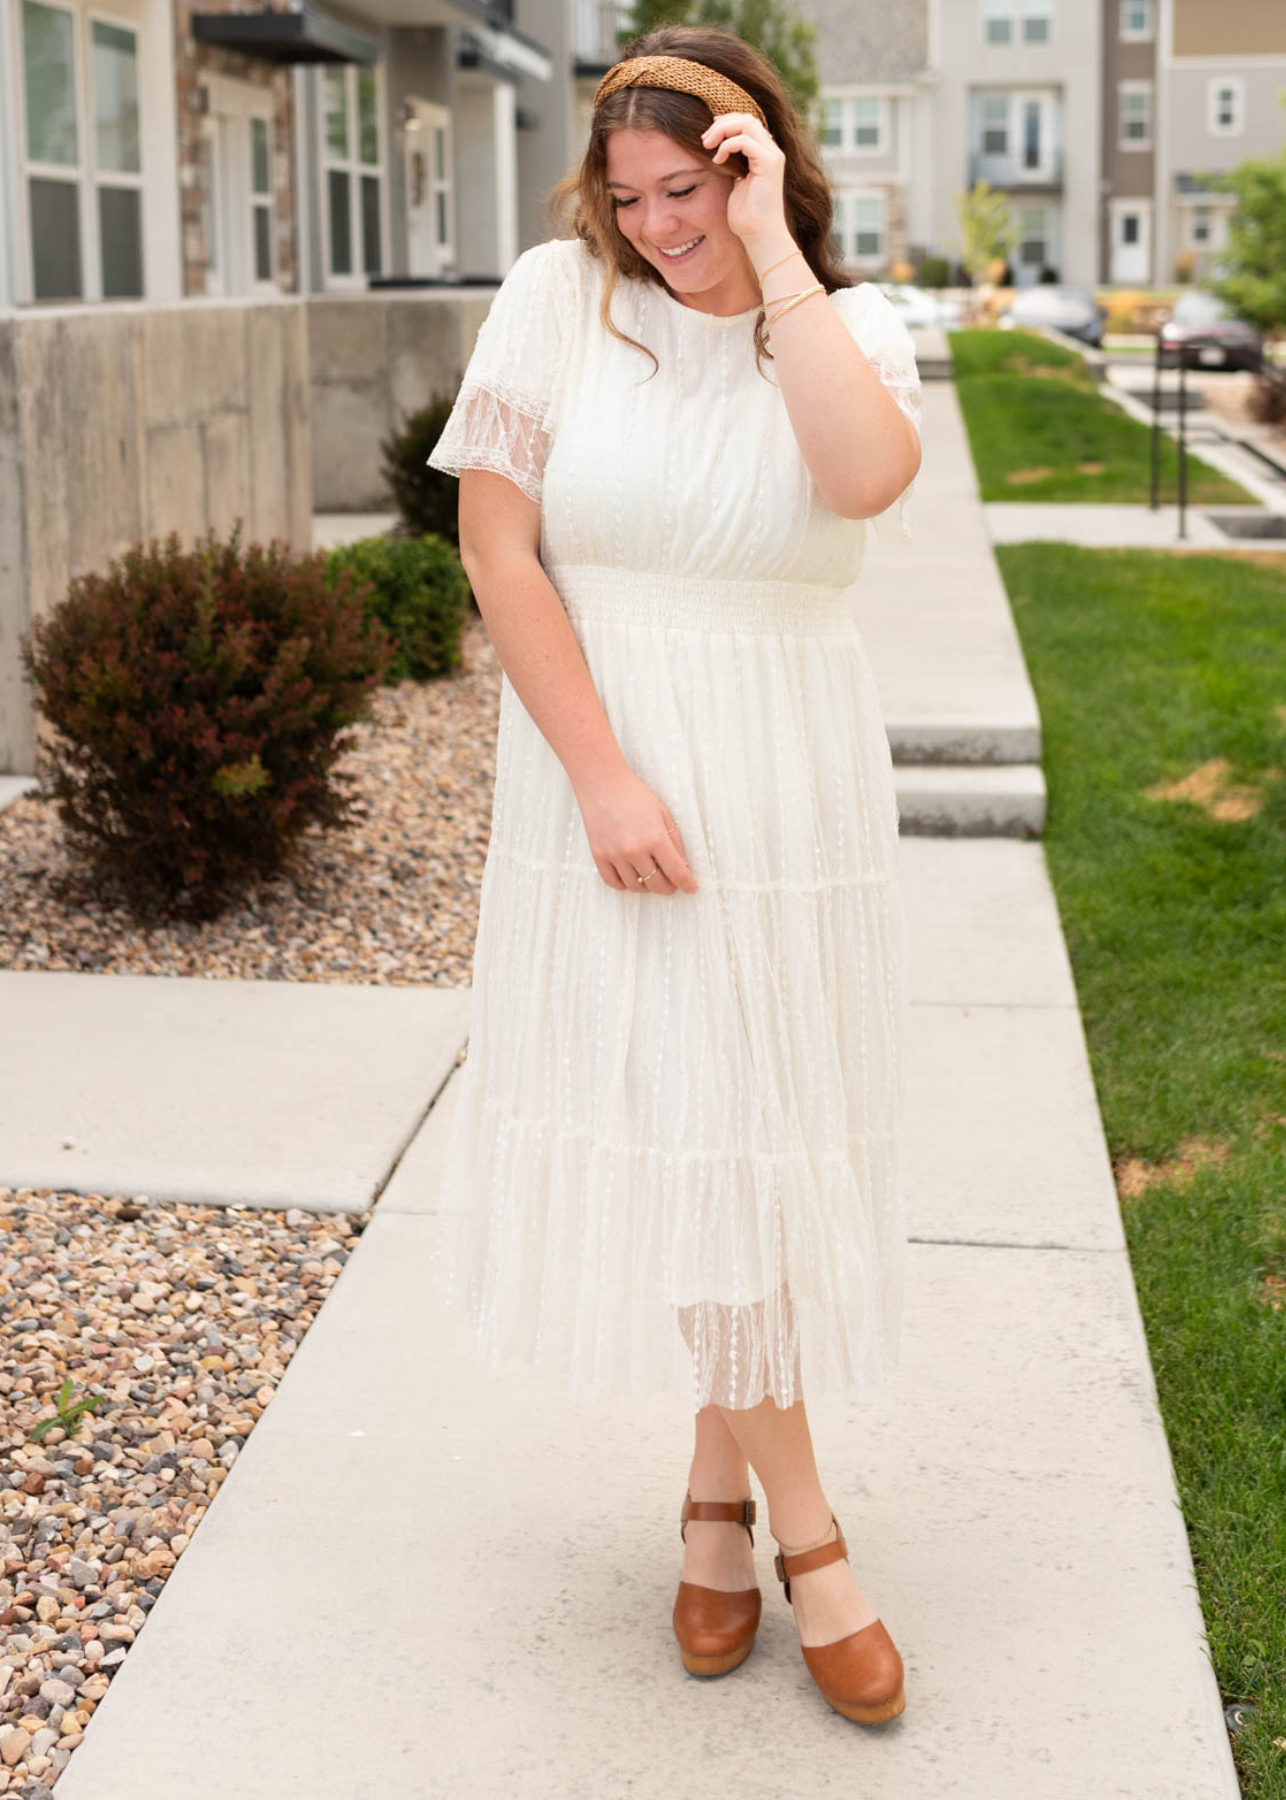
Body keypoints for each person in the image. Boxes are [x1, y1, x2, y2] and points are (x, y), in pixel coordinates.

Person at [425, 23, 922, 1727]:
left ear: (752, 161)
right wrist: (602, 775)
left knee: (755, 1130)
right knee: (716, 1120)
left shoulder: (849, 326)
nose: (654, 223)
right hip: (618, 774)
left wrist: (772, 249)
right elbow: (499, 544)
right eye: (625, 195)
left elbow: (859, 482)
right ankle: (808, 1533)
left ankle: (712, 1502)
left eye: (687, 189)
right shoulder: (556, 304)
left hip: (787, 784)